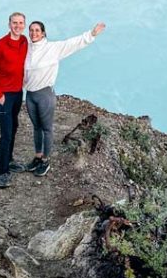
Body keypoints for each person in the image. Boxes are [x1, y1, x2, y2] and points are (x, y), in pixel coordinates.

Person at [23, 20, 106, 176]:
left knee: (46, 128)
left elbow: (72, 44)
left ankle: (45, 161)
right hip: (30, 95)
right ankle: (38, 157)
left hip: (45, 95)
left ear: (43, 33)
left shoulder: (52, 48)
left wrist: (91, 34)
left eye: (37, 30)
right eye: (31, 30)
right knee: (36, 128)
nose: (34, 33)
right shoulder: (26, 50)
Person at [0, 11, 28, 189]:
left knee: (15, 126)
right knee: (6, 133)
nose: (17, 26)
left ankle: (9, 160)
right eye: (14, 23)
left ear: (24, 25)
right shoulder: (0, 45)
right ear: (9, 24)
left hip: (18, 93)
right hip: (4, 95)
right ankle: (2, 172)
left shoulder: (24, 41)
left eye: (20, 23)